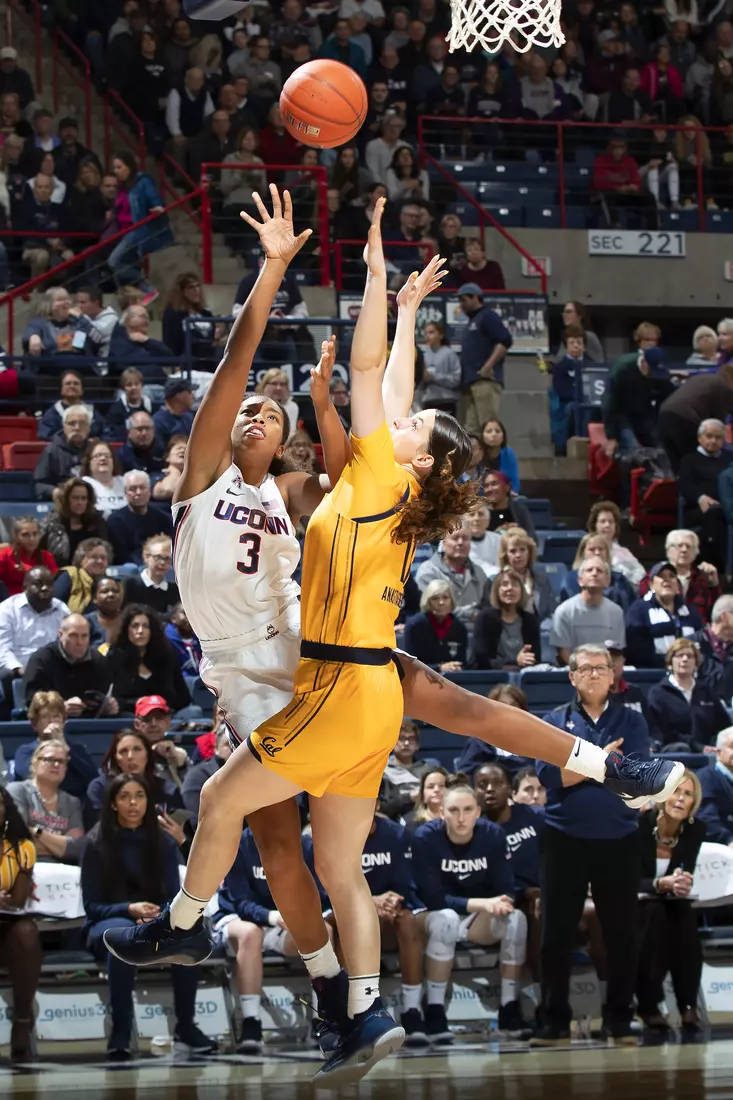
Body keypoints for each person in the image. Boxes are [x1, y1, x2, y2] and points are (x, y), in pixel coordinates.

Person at [103, 192, 683, 1084]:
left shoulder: (366, 478)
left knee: (236, 802)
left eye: (279, 417)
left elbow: (377, 385)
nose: (393, 420)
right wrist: (406, 310)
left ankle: (184, 930)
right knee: (336, 854)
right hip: (317, 673)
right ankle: (361, 1007)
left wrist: (374, 276)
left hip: (325, 669)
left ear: (411, 457)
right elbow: (391, 395)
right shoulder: (353, 484)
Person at [531, 644, 648, 1047]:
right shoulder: (554, 722)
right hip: (564, 838)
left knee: (621, 935)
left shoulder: (632, 721)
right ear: (572, 676)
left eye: (602, 667)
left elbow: (633, 777)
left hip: (619, 839)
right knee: (555, 935)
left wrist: (580, 766)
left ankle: (619, 1020)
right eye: (586, 668)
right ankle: (554, 1021)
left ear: (613, 675)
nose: (595, 673)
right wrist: (603, 763)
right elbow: (549, 777)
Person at [81, 775, 216, 1059]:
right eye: (125, 797)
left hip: (153, 919)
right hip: (109, 921)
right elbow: (92, 906)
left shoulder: (162, 841)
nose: (133, 803)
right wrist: (128, 909)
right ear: (113, 804)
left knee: (182, 934)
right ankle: (121, 1031)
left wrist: (157, 917)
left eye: (140, 796)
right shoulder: (95, 843)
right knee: (123, 938)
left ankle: (186, 1027)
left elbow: (172, 893)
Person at [411, 781, 530, 1040]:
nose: (461, 817)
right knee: (446, 919)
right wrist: (481, 904)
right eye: (453, 810)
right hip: (431, 916)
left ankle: (509, 1008)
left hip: (476, 920)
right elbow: (433, 898)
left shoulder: (494, 835)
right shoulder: (425, 837)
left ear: (478, 812)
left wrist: (501, 903)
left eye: (468, 810)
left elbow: (506, 888)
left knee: (517, 919)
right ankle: (434, 1010)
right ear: (442, 812)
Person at [211, 825, 329, 1052]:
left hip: (284, 923)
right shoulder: (238, 844)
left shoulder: (304, 845)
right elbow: (240, 901)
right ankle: (251, 1023)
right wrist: (274, 916)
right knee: (250, 934)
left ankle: (322, 1021)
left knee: (323, 931)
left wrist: (301, 915)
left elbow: (319, 896)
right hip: (239, 918)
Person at [338, 796, 428, 1045]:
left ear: (377, 805)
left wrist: (389, 901)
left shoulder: (396, 834)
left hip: (388, 912)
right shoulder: (336, 834)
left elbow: (404, 882)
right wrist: (371, 901)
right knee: (343, 922)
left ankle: (412, 1011)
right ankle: (352, 1013)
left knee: (408, 920)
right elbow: (333, 887)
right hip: (349, 909)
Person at [637, 771, 705, 1034]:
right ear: (662, 795)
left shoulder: (695, 829)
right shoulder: (639, 825)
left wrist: (682, 882)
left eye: (687, 794)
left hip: (671, 903)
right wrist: (658, 884)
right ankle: (649, 1005)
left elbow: (685, 870)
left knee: (683, 914)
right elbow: (627, 880)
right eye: (676, 791)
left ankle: (688, 1005)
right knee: (655, 913)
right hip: (635, 904)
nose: (680, 799)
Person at [0, 787, 42, 1063]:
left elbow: (16, 899)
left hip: (6, 927)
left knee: (27, 933)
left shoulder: (22, 847)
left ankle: (22, 1022)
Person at [0, 568, 69, 715]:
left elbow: (68, 644)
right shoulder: (7, 609)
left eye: (49, 584)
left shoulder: (61, 609)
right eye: (38, 584)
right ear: (25, 587)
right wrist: (19, 669)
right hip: (17, 670)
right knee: (5, 675)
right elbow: (3, 648)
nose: (45, 588)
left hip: (52, 670)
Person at [108, 151, 172, 305]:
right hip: (124, 232)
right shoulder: (122, 187)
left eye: (119, 167)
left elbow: (156, 200)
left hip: (137, 230)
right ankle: (136, 301)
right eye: (114, 168)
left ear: (129, 167)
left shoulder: (143, 182)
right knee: (121, 269)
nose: (116, 171)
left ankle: (148, 288)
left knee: (113, 261)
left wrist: (158, 207)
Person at [476, 762, 544, 907]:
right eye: (482, 784)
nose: (490, 789)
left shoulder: (534, 815)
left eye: (498, 783)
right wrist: (524, 891)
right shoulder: (475, 831)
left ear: (509, 789)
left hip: (547, 889)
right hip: (507, 899)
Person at [23, 611, 119, 714]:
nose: (80, 642)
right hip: (53, 722)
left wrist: (110, 706)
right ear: (60, 635)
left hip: (91, 722)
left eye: (84, 636)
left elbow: (106, 695)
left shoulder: (99, 660)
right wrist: (60, 708)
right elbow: (32, 702)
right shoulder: (42, 659)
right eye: (73, 636)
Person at [85, 727, 183, 827]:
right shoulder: (100, 788)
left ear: (147, 755)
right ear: (116, 759)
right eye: (123, 751)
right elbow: (96, 832)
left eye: (137, 749)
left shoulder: (168, 790)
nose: (130, 756)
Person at [7, 740, 85, 863]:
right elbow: (18, 837)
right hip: (23, 866)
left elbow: (76, 849)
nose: (56, 765)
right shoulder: (17, 791)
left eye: (61, 761)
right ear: (35, 763)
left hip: (62, 874)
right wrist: (60, 845)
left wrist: (36, 831)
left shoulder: (72, 802)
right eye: (49, 759)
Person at [12, 690, 97, 802]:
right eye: (45, 717)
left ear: (63, 721)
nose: (51, 721)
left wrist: (64, 747)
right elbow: (34, 779)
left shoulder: (78, 750)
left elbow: (92, 779)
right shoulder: (25, 751)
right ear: (34, 725)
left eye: (56, 716)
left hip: (75, 809)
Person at [647, 638, 729, 751]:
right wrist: (699, 747)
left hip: (708, 752)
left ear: (696, 663)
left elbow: (723, 725)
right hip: (674, 753)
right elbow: (663, 731)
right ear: (670, 662)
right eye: (680, 655)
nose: (685, 659)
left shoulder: (706, 691)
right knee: (682, 748)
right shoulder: (658, 693)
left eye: (690, 656)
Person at [107, 604, 191, 715]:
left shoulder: (166, 656)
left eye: (145, 626)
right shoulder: (114, 656)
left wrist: (158, 705)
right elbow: (113, 700)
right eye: (135, 626)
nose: (140, 631)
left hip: (164, 716)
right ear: (126, 629)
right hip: (127, 717)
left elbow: (183, 697)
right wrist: (143, 704)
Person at [457, 284, 513, 434]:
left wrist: (488, 366)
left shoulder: (488, 316)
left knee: (488, 427)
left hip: (485, 381)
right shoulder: (473, 321)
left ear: (475, 297)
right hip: (471, 382)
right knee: (472, 432)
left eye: (464, 300)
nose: (461, 305)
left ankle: (493, 458)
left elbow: (505, 341)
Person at [625, 560, 702, 669]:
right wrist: (670, 662)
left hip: (688, 673)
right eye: (661, 576)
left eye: (671, 576)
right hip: (652, 675)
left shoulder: (690, 611)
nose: (667, 580)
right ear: (651, 584)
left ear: (677, 586)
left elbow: (701, 641)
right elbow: (637, 649)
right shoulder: (639, 610)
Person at [550, 557, 626, 666]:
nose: (594, 574)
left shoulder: (616, 612)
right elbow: (563, 651)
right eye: (589, 570)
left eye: (599, 571)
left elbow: (617, 651)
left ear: (608, 581)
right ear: (580, 580)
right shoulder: (564, 611)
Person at [678, 418, 733, 570]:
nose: (713, 441)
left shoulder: (729, 459)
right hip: (698, 509)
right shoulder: (689, 460)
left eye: (718, 437)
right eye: (709, 436)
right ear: (699, 438)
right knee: (715, 514)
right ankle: (723, 567)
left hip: (727, 505)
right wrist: (700, 497)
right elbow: (686, 485)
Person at [658, 363, 733, 472]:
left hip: (664, 413)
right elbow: (717, 422)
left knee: (676, 463)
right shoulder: (724, 387)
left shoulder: (702, 379)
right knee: (697, 458)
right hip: (685, 418)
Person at [640, 529, 720, 625]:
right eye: (680, 546)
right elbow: (643, 607)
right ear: (668, 551)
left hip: (698, 632)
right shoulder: (654, 577)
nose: (684, 550)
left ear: (696, 552)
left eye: (689, 546)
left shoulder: (702, 579)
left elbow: (717, 612)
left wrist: (714, 584)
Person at [415, 524, 490, 625]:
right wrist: (471, 614)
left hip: (477, 631)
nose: (460, 543)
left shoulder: (478, 572)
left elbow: (488, 605)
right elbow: (430, 608)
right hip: (441, 632)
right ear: (444, 543)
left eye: (465, 538)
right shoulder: (428, 572)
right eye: (455, 538)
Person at [473, 568, 541, 671]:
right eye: (504, 584)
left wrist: (528, 660)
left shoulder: (530, 620)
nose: (510, 588)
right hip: (493, 677)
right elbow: (482, 659)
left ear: (521, 591)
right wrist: (515, 662)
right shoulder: (484, 619)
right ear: (497, 590)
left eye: (515, 585)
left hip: (523, 677)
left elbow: (536, 658)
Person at [39, 478, 109, 568]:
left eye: (83, 498)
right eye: (75, 498)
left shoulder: (97, 522)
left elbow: (105, 553)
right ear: (66, 499)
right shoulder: (51, 523)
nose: (80, 502)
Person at [107, 471, 173, 566]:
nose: (138, 492)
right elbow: (121, 556)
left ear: (149, 491)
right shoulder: (116, 521)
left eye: (142, 488)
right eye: (132, 489)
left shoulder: (163, 518)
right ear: (125, 492)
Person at [403, 579, 468, 671]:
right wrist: (439, 668)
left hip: (452, 680)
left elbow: (462, 662)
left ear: (451, 600)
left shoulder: (459, 627)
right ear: (428, 601)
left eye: (445, 598)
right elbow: (410, 664)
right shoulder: (415, 625)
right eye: (435, 598)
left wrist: (457, 667)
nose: (441, 602)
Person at [161, 272, 223, 369]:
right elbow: (171, 342)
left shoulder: (205, 313)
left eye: (197, 286)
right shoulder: (173, 313)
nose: (196, 290)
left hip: (209, 363)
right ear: (181, 292)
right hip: (186, 364)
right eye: (190, 288)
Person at [561, 533, 636, 612]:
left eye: (601, 549)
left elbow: (632, 607)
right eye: (592, 549)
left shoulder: (619, 579)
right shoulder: (571, 578)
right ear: (583, 553)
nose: (597, 553)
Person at [33, 405, 92, 502]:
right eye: (72, 423)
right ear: (64, 426)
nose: (77, 428)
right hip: (61, 503)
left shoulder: (95, 450)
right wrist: (54, 492)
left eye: (82, 423)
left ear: (89, 428)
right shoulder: (51, 451)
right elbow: (39, 486)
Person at [586, 500, 645, 591]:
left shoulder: (623, 552)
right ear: (595, 526)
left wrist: (627, 576)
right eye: (603, 521)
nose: (607, 525)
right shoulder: (589, 549)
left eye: (611, 522)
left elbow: (641, 573)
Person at [498, 527, 555, 621]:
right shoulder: (495, 581)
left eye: (522, 550)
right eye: (513, 551)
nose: (518, 555)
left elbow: (551, 611)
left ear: (529, 552)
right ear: (505, 555)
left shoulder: (541, 580)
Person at [108, 304, 174, 380]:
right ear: (129, 320)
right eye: (143, 317)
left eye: (148, 318)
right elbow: (125, 361)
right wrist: (153, 360)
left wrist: (149, 342)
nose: (147, 321)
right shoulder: (119, 339)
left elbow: (170, 358)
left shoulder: (146, 341)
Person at [181, 724, 231, 822]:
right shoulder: (198, 777)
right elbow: (200, 825)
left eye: (240, 744)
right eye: (228, 744)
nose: (235, 749)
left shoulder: (259, 774)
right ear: (216, 749)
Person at [38, 369, 104, 442]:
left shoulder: (92, 411)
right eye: (68, 383)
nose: (72, 386)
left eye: (76, 383)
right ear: (61, 389)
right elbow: (45, 436)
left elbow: (107, 433)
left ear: (82, 390)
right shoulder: (53, 413)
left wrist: (98, 441)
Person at [124, 535, 181, 617]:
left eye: (167, 558)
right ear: (146, 557)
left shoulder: (174, 589)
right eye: (158, 557)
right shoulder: (132, 584)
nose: (162, 562)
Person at [0, 516, 57, 598]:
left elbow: (54, 584)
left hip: (40, 602)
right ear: (16, 536)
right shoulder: (6, 556)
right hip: (10, 604)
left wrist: (26, 569)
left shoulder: (47, 557)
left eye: (35, 534)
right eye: (25, 535)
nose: (31, 539)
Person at [52, 537, 112, 613]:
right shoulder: (70, 574)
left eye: (103, 558)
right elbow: (54, 604)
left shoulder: (109, 582)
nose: (100, 561)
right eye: (94, 557)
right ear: (81, 559)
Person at [415, 320, 461, 414]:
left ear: (441, 335)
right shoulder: (424, 355)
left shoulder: (449, 354)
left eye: (431, 332)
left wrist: (433, 376)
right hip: (428, 401)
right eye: (426, 333)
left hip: (446, 400)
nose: (427, 336)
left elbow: (456, 379)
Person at [102, 368, 152, 444]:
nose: (133, 388)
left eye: (137, 384)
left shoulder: (152, 407)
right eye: (129, 385)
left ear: (141, 385)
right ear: (123, 388)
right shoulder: (115, 410)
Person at [482, 471, 536, 540]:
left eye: (494, 484)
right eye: (486, 486)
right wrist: (496, 533)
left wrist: (519, 531)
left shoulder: (519, 509)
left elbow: (533, 539)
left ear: (506, 487)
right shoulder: (481, 512)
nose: (490, 489)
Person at [80, 439, 126, 518]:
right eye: (98, 456)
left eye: (107, 456)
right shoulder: (83, 484)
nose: (103, 458)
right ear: (89, 462)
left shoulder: (124, 481)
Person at [477, 418, 520, 494]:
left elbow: (515, 484)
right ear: (482, 436)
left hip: (505, 497)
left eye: (497, 431)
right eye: (489, 431)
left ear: (503, 437)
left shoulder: (509, 453)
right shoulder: (477, 454)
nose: (494, 434)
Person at [118, 410, 165, 475]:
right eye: (139, 429)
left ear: (154, 431)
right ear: (129, 432)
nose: (144, 433)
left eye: (147, 428)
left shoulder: (162, 453)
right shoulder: (120, 457)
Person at [86, 576, 125, 647]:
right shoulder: (86, 623)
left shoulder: (129, 619)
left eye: (115, 591)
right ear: (94, 598)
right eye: (105, 591)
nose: (111, 594)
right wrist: (108, 645)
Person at [152, 435, 188, 502]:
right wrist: (175, 471)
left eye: (186, 450)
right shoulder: (155, 476)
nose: (183, 450)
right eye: (179, 448)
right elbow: (167, 490)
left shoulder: (193, 479)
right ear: (168, 457)